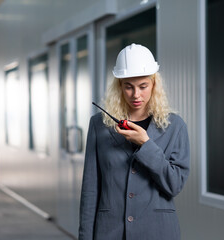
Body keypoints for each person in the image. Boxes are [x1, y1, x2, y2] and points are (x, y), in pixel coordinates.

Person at [78, 43, 190, 240]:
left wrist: (146, 144)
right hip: (110, 232)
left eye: (143, 86)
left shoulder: (175, 126)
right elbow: (90, 189)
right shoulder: (99, 125)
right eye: (128, 86)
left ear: (154, 84)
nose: (136, 94)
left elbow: (174, 185)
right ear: (119, 86)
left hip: (158, 232)